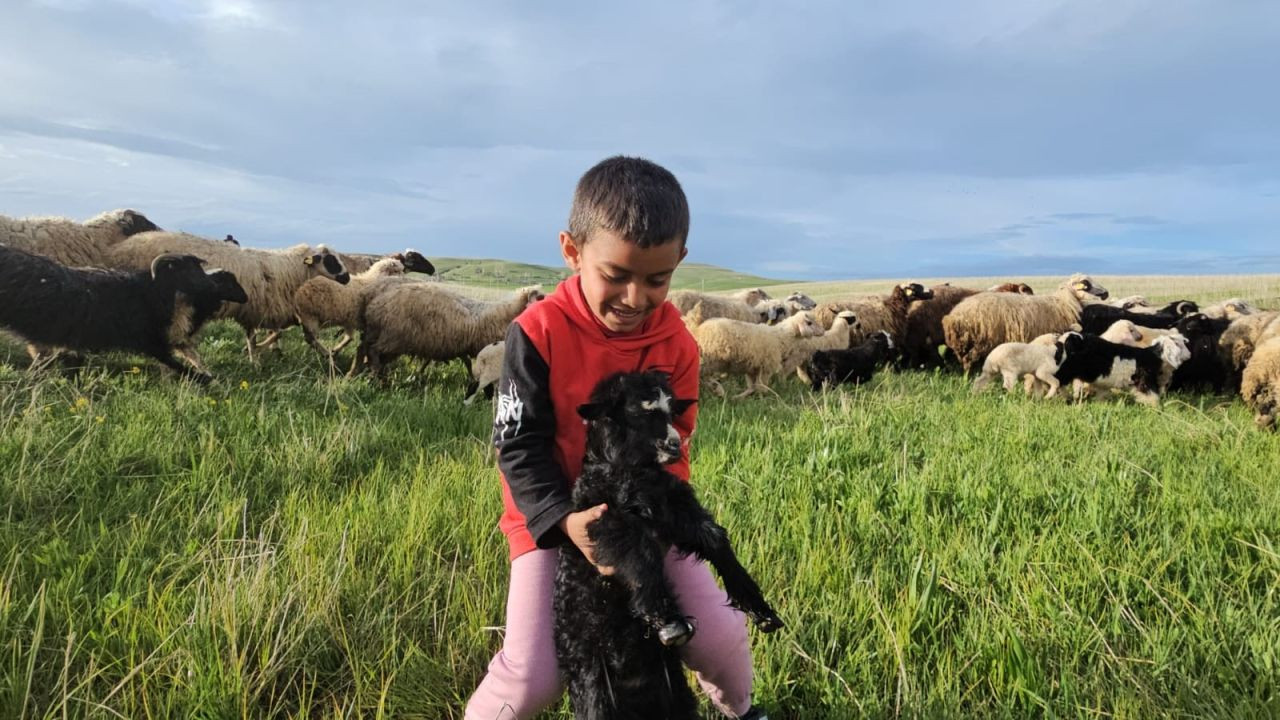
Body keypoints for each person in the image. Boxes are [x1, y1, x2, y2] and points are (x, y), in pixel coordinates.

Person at [465, 156, 770, 720]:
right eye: (616, 275)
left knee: (720, 637)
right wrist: (563, 520)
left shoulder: (677, 344)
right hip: (551, 524)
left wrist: (651, 527)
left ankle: (742, 711)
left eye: (657, 280)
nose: (635, 298)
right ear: (572, 250)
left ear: (679, 260)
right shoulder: (536, 333)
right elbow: (518, 444)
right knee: (530, 678)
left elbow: (673, 442)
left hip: (641, 517)